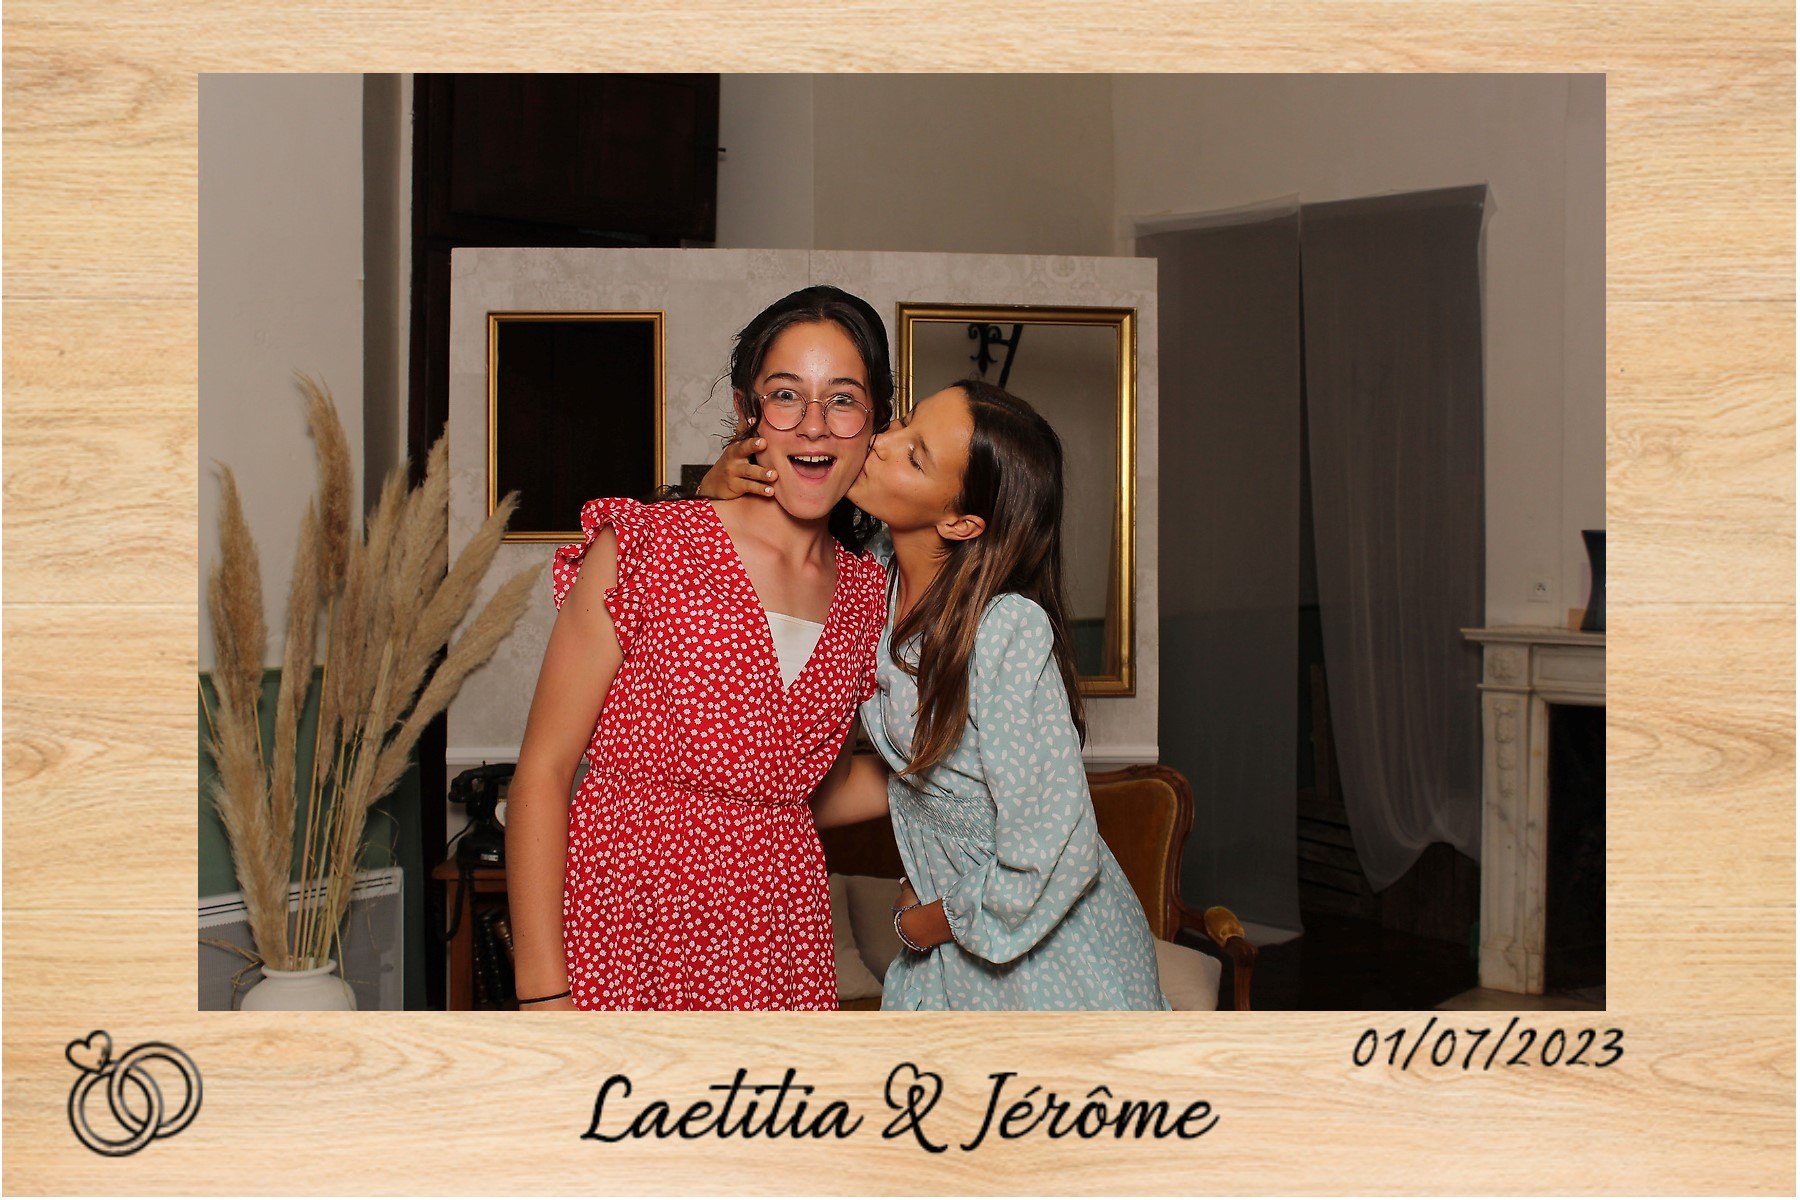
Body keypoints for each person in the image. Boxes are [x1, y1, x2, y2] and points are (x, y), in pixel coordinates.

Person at [717, 379, 1168, 1010]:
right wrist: (716, 495)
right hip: (947, 947)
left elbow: (1056, 851)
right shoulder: (867, 583)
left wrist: (923, 923)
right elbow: (901, 780)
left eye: (915, 456)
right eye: (903, 422)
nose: (883, 442)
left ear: (959, 521)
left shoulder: (1005, 630)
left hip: (1050, 960)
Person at [505, 285, 893, 1011]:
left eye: (843, 399)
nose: (814, 424)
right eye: (786, 396)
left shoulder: (868, 595)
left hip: (779, 943)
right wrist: (544, 995)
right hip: (629, 930)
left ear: (875, 425)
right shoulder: (648, 547)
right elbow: (544, 772)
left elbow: (811, 790)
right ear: (748, 412)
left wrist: (956, 778)